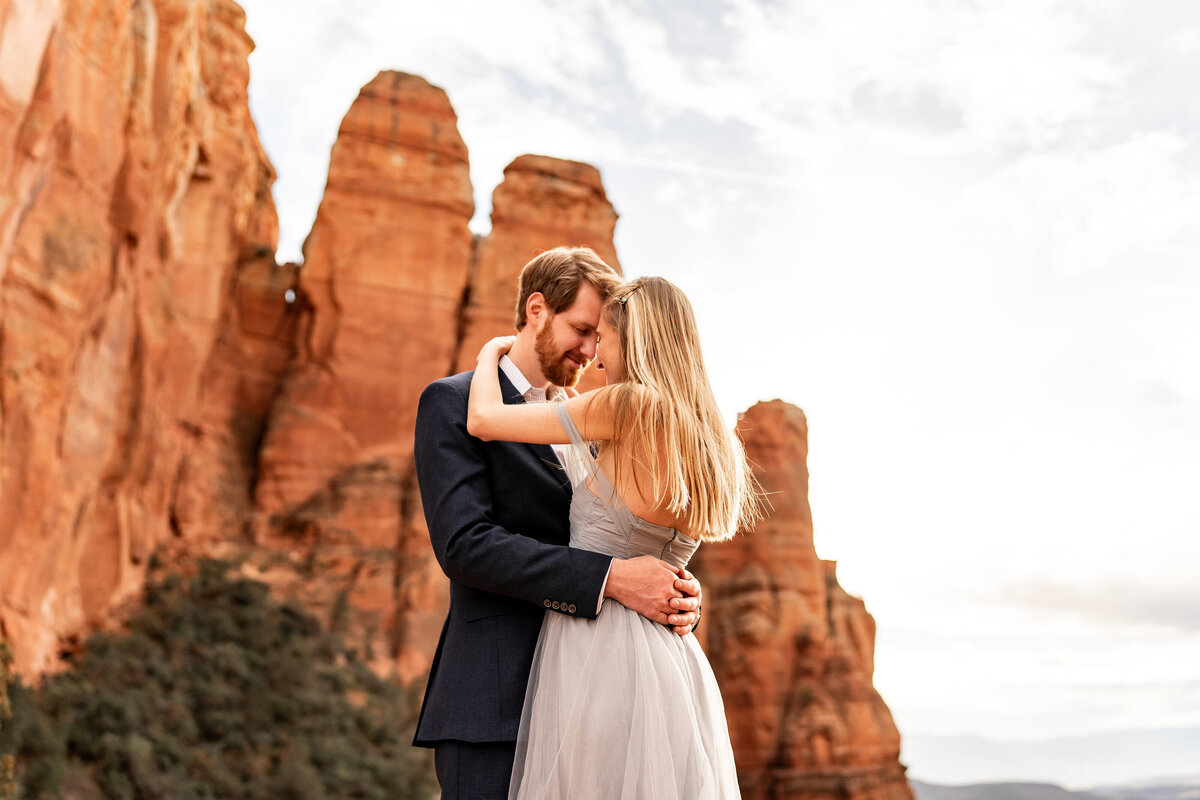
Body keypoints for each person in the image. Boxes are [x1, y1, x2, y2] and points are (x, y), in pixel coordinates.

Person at [412, 248, 703, 800]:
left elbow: (634, 531)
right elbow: (465, 546)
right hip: (498, 706)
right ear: (537, 309)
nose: (592, 352)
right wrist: (611, 579)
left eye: (601, 337)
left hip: (602, 703)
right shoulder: (450, 401)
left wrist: (676, 593)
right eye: (582, 329)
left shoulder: (598, 418)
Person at [467, 276, 764, 799]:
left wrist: (494, 351)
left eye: (603, 336)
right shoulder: (712, 434)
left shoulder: (627, 406)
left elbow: (485, 420)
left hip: (598, 646)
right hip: (675, 661)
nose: (597, 355)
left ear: (635, 337)